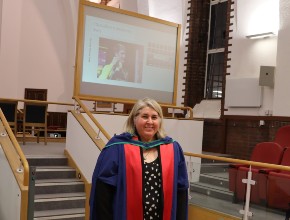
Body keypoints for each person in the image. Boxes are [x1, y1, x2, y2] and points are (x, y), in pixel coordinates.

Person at [89, 97, 189, 220]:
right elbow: (102, 194)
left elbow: (181, 190)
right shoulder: (117, 148)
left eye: (154, 117)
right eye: (145, 116)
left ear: (160, 121)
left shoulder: (173, 148)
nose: (150, 122)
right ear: (134, 119)